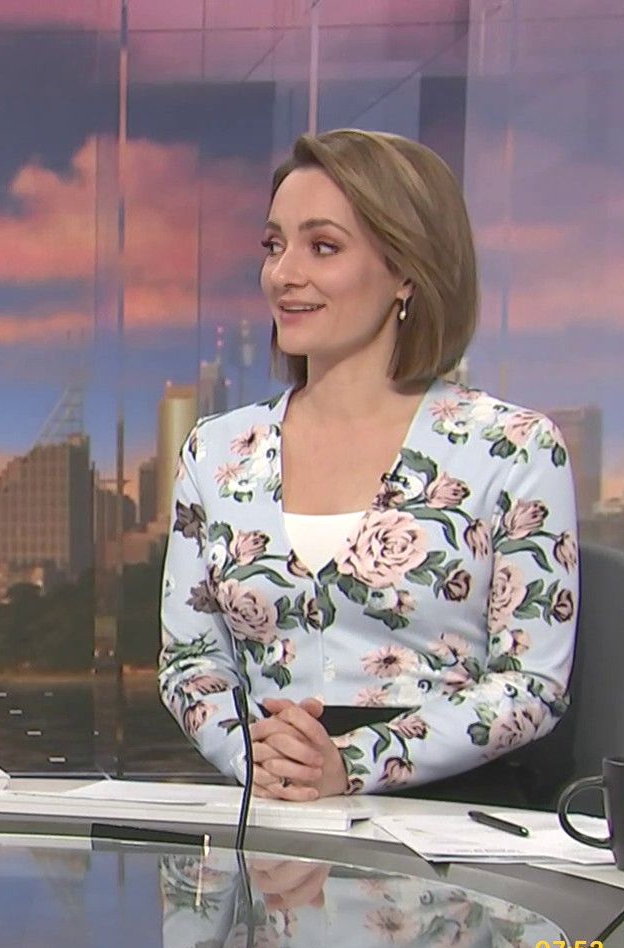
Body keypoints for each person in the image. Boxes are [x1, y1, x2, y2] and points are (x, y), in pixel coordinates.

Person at [157, 129, 578, 801]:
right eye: (274, 245)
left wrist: (352, 763)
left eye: (322, 247)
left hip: (451, 817)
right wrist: (256, 757)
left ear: (406, 270)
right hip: (273, 804)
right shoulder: (217, 452)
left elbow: (531, 685)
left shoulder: (514, 448)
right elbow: (191, 660)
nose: (283, 274)